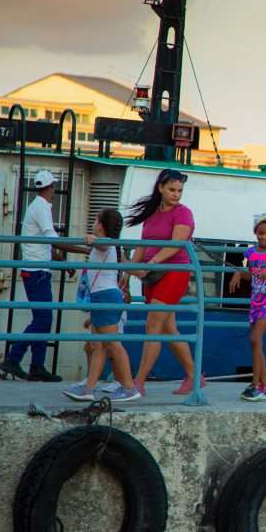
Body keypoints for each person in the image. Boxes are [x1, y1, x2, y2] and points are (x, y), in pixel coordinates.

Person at [0, 169, 89, 381]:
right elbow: (53, 240)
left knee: (43, 319)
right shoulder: (40, 208)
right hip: (36, 271)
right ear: (52, 188)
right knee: (43, 318)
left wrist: (63, 262)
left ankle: (36, 365)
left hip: (38, 270)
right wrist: (85, 250)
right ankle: (14, 358)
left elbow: (46, 244)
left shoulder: (37, 207)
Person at [125, 168, 204, 396]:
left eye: (179, 190)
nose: (176, 194)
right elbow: (143, 245)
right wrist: (127, 272)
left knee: (153, 325)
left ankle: (138, 382)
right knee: (169, 329)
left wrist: (153, 263)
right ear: (160, 187)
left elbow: (177, 243)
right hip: (152, 275)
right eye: (172, 189)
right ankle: (194, 375)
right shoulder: (151, 213)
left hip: (174, 271)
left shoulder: (183, 213)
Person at [62, 209, 140, 402]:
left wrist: (92, 239)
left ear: (101, 226)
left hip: (105, 297)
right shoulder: (107, 246)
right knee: (98, 346)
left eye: (96, 220)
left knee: (112, 343)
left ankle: (130, 388)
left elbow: (104, 244)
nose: (93, 223)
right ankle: (89, 388)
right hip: (101, 298)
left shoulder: (107, 245)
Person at [229, 213, 266, 401]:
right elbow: (250, 274)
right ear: (255, 233)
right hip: (256, 300)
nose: (264, 237)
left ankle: (256, 384)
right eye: (261, 233)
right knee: (256, 343)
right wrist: (239, 273)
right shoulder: (250, 253)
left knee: (255, 338)